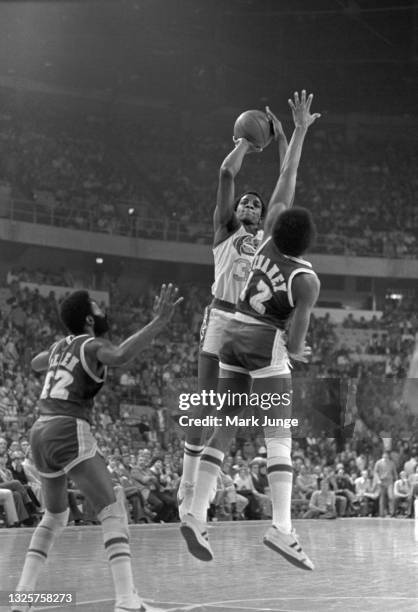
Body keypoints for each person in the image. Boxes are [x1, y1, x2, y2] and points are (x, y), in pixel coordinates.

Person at [180, 90, 320, 571]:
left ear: (276, 226)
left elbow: (286, 178)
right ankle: (282, 529)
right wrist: (296, 350)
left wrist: (297, 132)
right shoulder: (305, 277)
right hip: (263, 341)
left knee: (225, 423)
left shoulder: (262, 244)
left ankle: (196, 512)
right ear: (308, 242)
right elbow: (298, 343)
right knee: (278, 434)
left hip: (232, 333)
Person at [11, 284, 182, 612]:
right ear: (89, 318)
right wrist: (158, 323)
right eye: (98, 309)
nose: (104, 314)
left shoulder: (61, 346)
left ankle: (24, 597)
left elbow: (35, 363)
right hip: (67, 427)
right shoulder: (92, 345)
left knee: (55, 516)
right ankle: (126, 601)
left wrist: (57, 354)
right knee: (112, 509)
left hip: (39, 431)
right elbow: (119, 356)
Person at [177, 105, 289, 520]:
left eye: (254, 205)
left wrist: (282, 143)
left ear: (261, 216)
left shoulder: (266, 242)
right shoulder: (225, 228)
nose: (248, 205)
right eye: (244, 202)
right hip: (220, 316)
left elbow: (284, 187)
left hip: (250, 326)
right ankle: (188, 483)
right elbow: (227, 174)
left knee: (230, 409)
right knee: (204, 402)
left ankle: (203, 488)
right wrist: (245, 140)